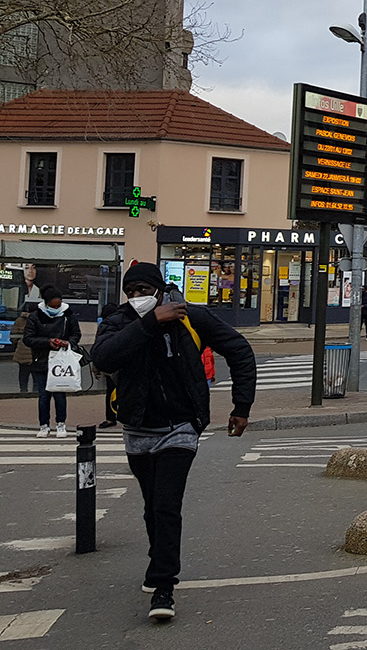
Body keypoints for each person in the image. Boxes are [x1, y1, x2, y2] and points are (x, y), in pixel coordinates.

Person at [91, 262, 256, 624]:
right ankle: (157, 561)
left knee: (167, 504)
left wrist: (241, 406)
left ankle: (164, 585)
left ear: (160, 290)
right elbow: (102, 358)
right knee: (152, 505)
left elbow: (240, 351)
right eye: (130, 292)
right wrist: (149, 322)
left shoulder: (190, 318)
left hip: (181, 426)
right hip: (137, 427)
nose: (136, 298)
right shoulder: (119, 321)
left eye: (143, 291)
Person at [23, 285, 81, 438]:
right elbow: (28, 338)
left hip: (60, 361)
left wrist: (67, 343)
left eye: (58, 305)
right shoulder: (35, 316)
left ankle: (61, 424)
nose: (56, 308)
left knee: (60, 394)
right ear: (46, 303)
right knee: (43, 395)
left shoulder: (68, 315)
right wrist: (47, 342)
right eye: (53, 305)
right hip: (42, 359)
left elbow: (76, 334)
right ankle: (44, 425)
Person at [11, 308, 33, 392]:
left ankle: (23, 390)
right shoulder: (38, 319)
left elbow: (13, 335)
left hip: (22, 350)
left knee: (23, 373)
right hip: (35, 351)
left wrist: (17, 344)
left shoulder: (19, 320)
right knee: (36, 373)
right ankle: (36, 390)